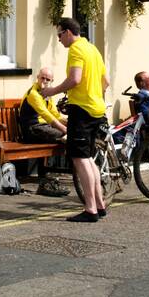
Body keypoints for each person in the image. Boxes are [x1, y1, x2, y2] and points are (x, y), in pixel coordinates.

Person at [39, 18, 110, 223]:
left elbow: (75, 79)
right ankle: (99, 204)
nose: (59, 40)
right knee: (87, 158)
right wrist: (95, 96)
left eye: (59, 35)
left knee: (79, 159)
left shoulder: (76, 50)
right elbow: (105, 82)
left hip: (82, 110)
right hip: (96, 109)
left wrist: (51, 90)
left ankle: (90, 209)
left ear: (69, 32)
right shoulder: (93, 49)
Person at [18, 67, 69, 197]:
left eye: (48, 79)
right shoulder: (34, 94)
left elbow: (54, 114)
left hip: (42, 127)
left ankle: (49, 175)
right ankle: (56, 176)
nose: (44, 81)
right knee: (63, 135)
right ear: (37, 77)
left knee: (68, 134)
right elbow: (46, 115)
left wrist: (69, 123)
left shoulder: (46, 94)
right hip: (31, 129)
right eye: (43, 78)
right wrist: (64, 130)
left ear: (52, 81)